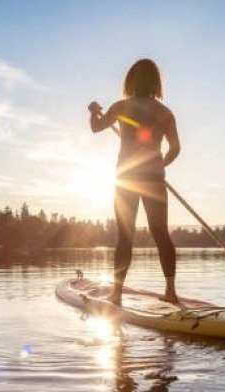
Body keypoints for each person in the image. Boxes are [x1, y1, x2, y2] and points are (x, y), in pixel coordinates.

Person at [88, 58, 181, 306]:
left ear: (130, 81)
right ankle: (171, 292)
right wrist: (160, 166)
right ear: (156, 82)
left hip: (127, 178)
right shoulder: (165, 113)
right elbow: (175, 148)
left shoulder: (121, 106)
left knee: (125, 236)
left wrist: (93, 113)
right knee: (161, 234)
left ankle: (116, 294)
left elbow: (96, 128)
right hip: (154, 178)